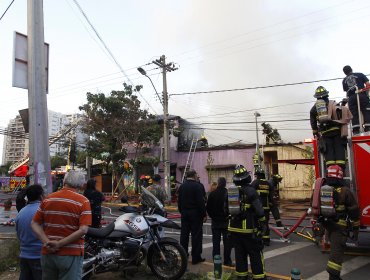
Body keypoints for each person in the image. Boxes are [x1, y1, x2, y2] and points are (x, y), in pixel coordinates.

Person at [31, 170, 92, 280]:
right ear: (82, 185)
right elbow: (83, 230)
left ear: (64, 181)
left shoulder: (48, 199)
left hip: (48, 253)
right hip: (71, 254)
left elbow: (34, 223)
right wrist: (59, 244)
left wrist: (47, 242)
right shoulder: (83, 201)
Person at [317, 165, 360, 280]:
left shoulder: (322, 189)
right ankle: (334, 277)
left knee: (334, 248)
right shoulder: (345, 191)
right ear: (341, 176)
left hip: (326, 224)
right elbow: (354, 212)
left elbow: (316, 207)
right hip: (339, 227)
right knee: (337, 252)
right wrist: (356, 229)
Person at [228, 165, 268, 280]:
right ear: (246, 177)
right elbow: (259, 210)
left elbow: (225, 210)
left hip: (234, 229)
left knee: (240, 255)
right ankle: (259, 277)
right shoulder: (251, 191)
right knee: (255, 255)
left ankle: (242, 277)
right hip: (249, 230)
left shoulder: (230, 191)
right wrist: (263, 224)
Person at [310, 86, 352, 170]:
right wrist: (343, 105)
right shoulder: (333, 104)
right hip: (337, 132)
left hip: (325, 133)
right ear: (326, 95)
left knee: (329, 154)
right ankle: (340, 172)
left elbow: (313, 123)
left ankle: (331, 172)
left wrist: (315, 132)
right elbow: (341, 114)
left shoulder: (314, 108)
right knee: (339, 151)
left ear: (316, 97)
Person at [178, 169, 207, 265]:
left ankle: (184, 255)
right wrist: (204, 214)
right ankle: (196, 257)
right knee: (196, 236)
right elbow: (200, 202)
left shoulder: (182, 186)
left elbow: (179, 201)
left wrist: (182, 211)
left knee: (184, 235)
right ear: (194, 175)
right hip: (196, 214)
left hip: (185, 213)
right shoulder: (197, 186)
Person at [15, 184, 44, 280]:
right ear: (41, 195)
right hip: (39, 255)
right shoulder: (43, 210)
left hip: (24, 255)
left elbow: (19, 235)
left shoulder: (21, 212)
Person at [206, 177, 233, 267]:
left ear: (218, 183)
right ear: (225, 184)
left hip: (215, 222)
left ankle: (216, 260)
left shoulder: (212, 194)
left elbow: (208, 208)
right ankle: (227, 260)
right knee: (227, 243)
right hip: (226, 221)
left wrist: (213, 216)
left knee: (216, 242)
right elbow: (232, 208)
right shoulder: (228, 193)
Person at [342, 65, 370, 134]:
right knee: (366, 110)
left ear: (344, 73)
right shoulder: (360, 74)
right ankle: (368, 127)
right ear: (351, 69)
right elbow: (368, 84)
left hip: (351, 98)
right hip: (362, 94)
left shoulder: (344, 81)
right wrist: (366, 92)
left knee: (354, 113)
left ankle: (356, 129)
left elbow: (346, 90)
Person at [250, 168, 274, 246]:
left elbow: (251, 195)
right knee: (265, 223)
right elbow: (271, 198)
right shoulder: (268, 184)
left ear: (258, 175)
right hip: (266, 209)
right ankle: (266, 240)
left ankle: (257, 239)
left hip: (257, 208)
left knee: (256, 223)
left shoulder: (255, 183)